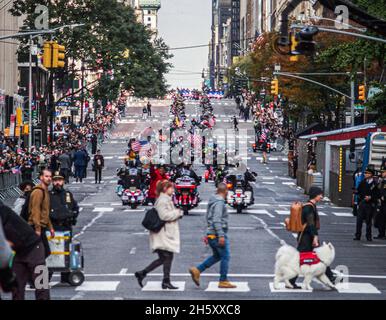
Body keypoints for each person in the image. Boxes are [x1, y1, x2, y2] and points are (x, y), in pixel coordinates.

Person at [135, 180, 183, 290]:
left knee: (165, 258)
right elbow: (164, 216)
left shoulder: (166, 200)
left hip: (164, 233)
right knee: (166, 257)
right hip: (163, 234)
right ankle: (163, 280)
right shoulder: (163, 200)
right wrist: (178, 213)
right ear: (165, 189)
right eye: (171, 188)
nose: (173, 189)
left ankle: (145, 274)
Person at [189, 183, 236, 289]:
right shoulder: (219, 202)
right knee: (225, 256)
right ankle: (223, 280)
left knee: (217, 256)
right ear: (225, 192)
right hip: (216, 234)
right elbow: (216, 219)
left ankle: (197, 270)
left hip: (211, 233)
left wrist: (208, 233)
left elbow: (208, 217)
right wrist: (221, 235)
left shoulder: (213, 200)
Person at [289, 186, 336, 289]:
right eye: (320, 195)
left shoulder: (310, 206)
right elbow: (310, 224)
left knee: (319, 257)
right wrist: (315, 237)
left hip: (308, 236)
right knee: (300, 259)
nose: (321, 197)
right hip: (306, 237)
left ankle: (331, 277)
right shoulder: (309, 207)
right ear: (315, 195)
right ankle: (290, 281)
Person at [0, 204, 50, 300]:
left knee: (41, 284)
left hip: (35, 246)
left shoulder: (3, 211)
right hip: (19, 251)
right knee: (16, 286)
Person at [28, 169, 55, 258]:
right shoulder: (38, 192)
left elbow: (45, 211)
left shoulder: (45, 191)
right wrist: (37, 229)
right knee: (42, 252)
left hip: (42, 225)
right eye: (46, 176)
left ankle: (35, 270)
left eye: (50, 176)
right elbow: (35, 210)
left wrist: (50, 227)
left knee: (42, 252)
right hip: (35, 226)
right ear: (41, 177)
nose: (49, 178)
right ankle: (34, 271)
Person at [354, 167, 380, 241]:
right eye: (365, 173)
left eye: (367, 173)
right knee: (359, 220)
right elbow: (359, 191)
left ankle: (368, 236)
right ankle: (357, 235)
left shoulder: (375, 184)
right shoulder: (363, 182)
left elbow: (378, 194)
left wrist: (371, 197)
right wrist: (356, 192)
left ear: (371, 174)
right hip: (362, 203)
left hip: (370, 204)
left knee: (368, 221)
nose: (365, 174)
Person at [375, 165, 386, 239]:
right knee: (380, 218)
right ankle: (381, 234)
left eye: (383, 172)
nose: (382, 173)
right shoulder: (381, 181)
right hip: (381, 203)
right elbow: (379, 190)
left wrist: (384, 196)